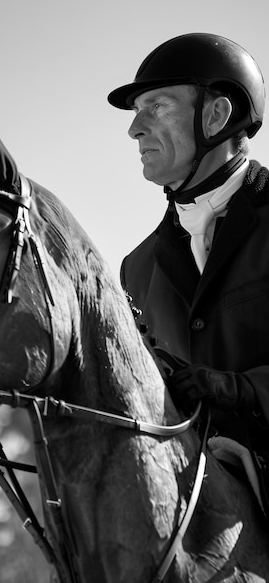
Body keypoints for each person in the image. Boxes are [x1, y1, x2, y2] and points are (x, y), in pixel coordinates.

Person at [108, 32, 269, 513]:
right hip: (189, 498)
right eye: (138, 111)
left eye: (156, 106)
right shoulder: (136, 269)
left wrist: (243, 390)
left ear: (217, 115)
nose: (135, 129)